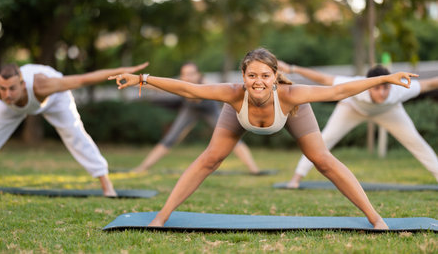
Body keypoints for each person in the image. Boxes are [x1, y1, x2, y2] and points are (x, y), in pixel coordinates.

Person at [110, 48, 417, 229]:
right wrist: (142, 79)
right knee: (209, 159)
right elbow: (188, 90)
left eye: (265, 76)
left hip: (292, 114)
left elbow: (337, 91)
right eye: (251, 75)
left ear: (274, 77)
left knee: (323, 161)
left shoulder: (291, 95)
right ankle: (161, 217)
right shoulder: (233, 93)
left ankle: (375, 218)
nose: (257, 82)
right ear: (243, 76)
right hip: (238, 115)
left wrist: (385, 78)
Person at [0, 62, 149, 197]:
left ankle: (106, 185)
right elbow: (5, 92)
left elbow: (83, 79)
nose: (7, 94)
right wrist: (5, 92)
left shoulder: (43, 84)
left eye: (12, 88)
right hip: (13, 108)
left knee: (75, 134)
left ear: (23, 85)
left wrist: (120, 71)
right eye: (3, 89)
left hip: (55, 98)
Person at [276, 62, 438, 188]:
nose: (382, 93)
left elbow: (430, 84)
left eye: (385, 88)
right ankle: (296, 178)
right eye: (377, 88)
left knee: (416, 142)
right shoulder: (356, 83)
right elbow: (324, 79)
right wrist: (292, 68)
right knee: (324, 139)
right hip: (351, 108)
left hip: (389, 111)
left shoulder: (400, 89)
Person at [131, 62, 261, 174]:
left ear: (198, 74)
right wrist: (138, 80)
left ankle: (254, 169)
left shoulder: (206, 84)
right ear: (182, 76)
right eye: (185, 74)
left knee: (230, 136)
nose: (188, 77)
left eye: (191, 73)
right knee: (170, 139)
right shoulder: (181, 84)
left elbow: (228, 93)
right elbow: (158, 85)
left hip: (210, 110)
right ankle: (142, 167)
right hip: (190, 110)